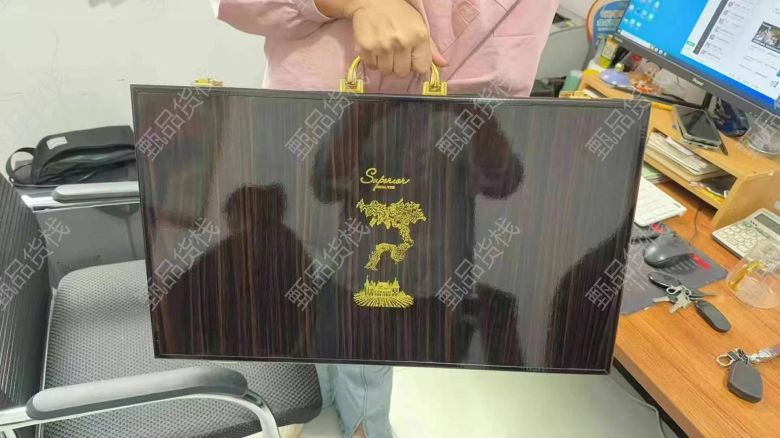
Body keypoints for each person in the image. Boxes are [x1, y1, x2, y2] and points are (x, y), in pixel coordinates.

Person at [211, 0, 558, 436]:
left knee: (372, 307)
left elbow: (504, 87)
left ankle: (359, 422)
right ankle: (317, 403)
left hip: (424, 159)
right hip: (311, 120)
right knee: (304, 284)